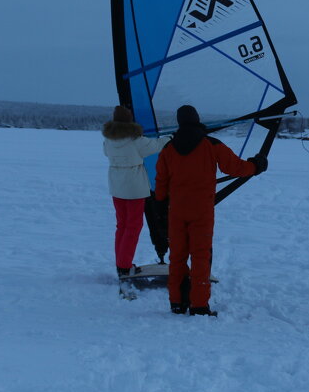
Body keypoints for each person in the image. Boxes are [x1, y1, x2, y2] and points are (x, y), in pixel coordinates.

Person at [154, 105, 266, 316]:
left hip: (176, 211)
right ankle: (199, 305)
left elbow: (160, 182)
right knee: (200, 257)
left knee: (177, 257)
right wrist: (256, 166)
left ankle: (176, 303)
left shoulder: (168, 149)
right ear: (197, 119)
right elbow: (236, 168)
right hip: (201, 212)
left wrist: (159, 206)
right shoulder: (211, 144)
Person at [103, 105, 171, 281]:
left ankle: (121, 264)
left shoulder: (108, 140)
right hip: (134, 189)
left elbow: (106, 153)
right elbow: (156, 145)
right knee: (133, 227)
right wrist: (171, 138)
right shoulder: (136, 140)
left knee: (122, 226)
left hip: (116, 187)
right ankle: (125, 267)